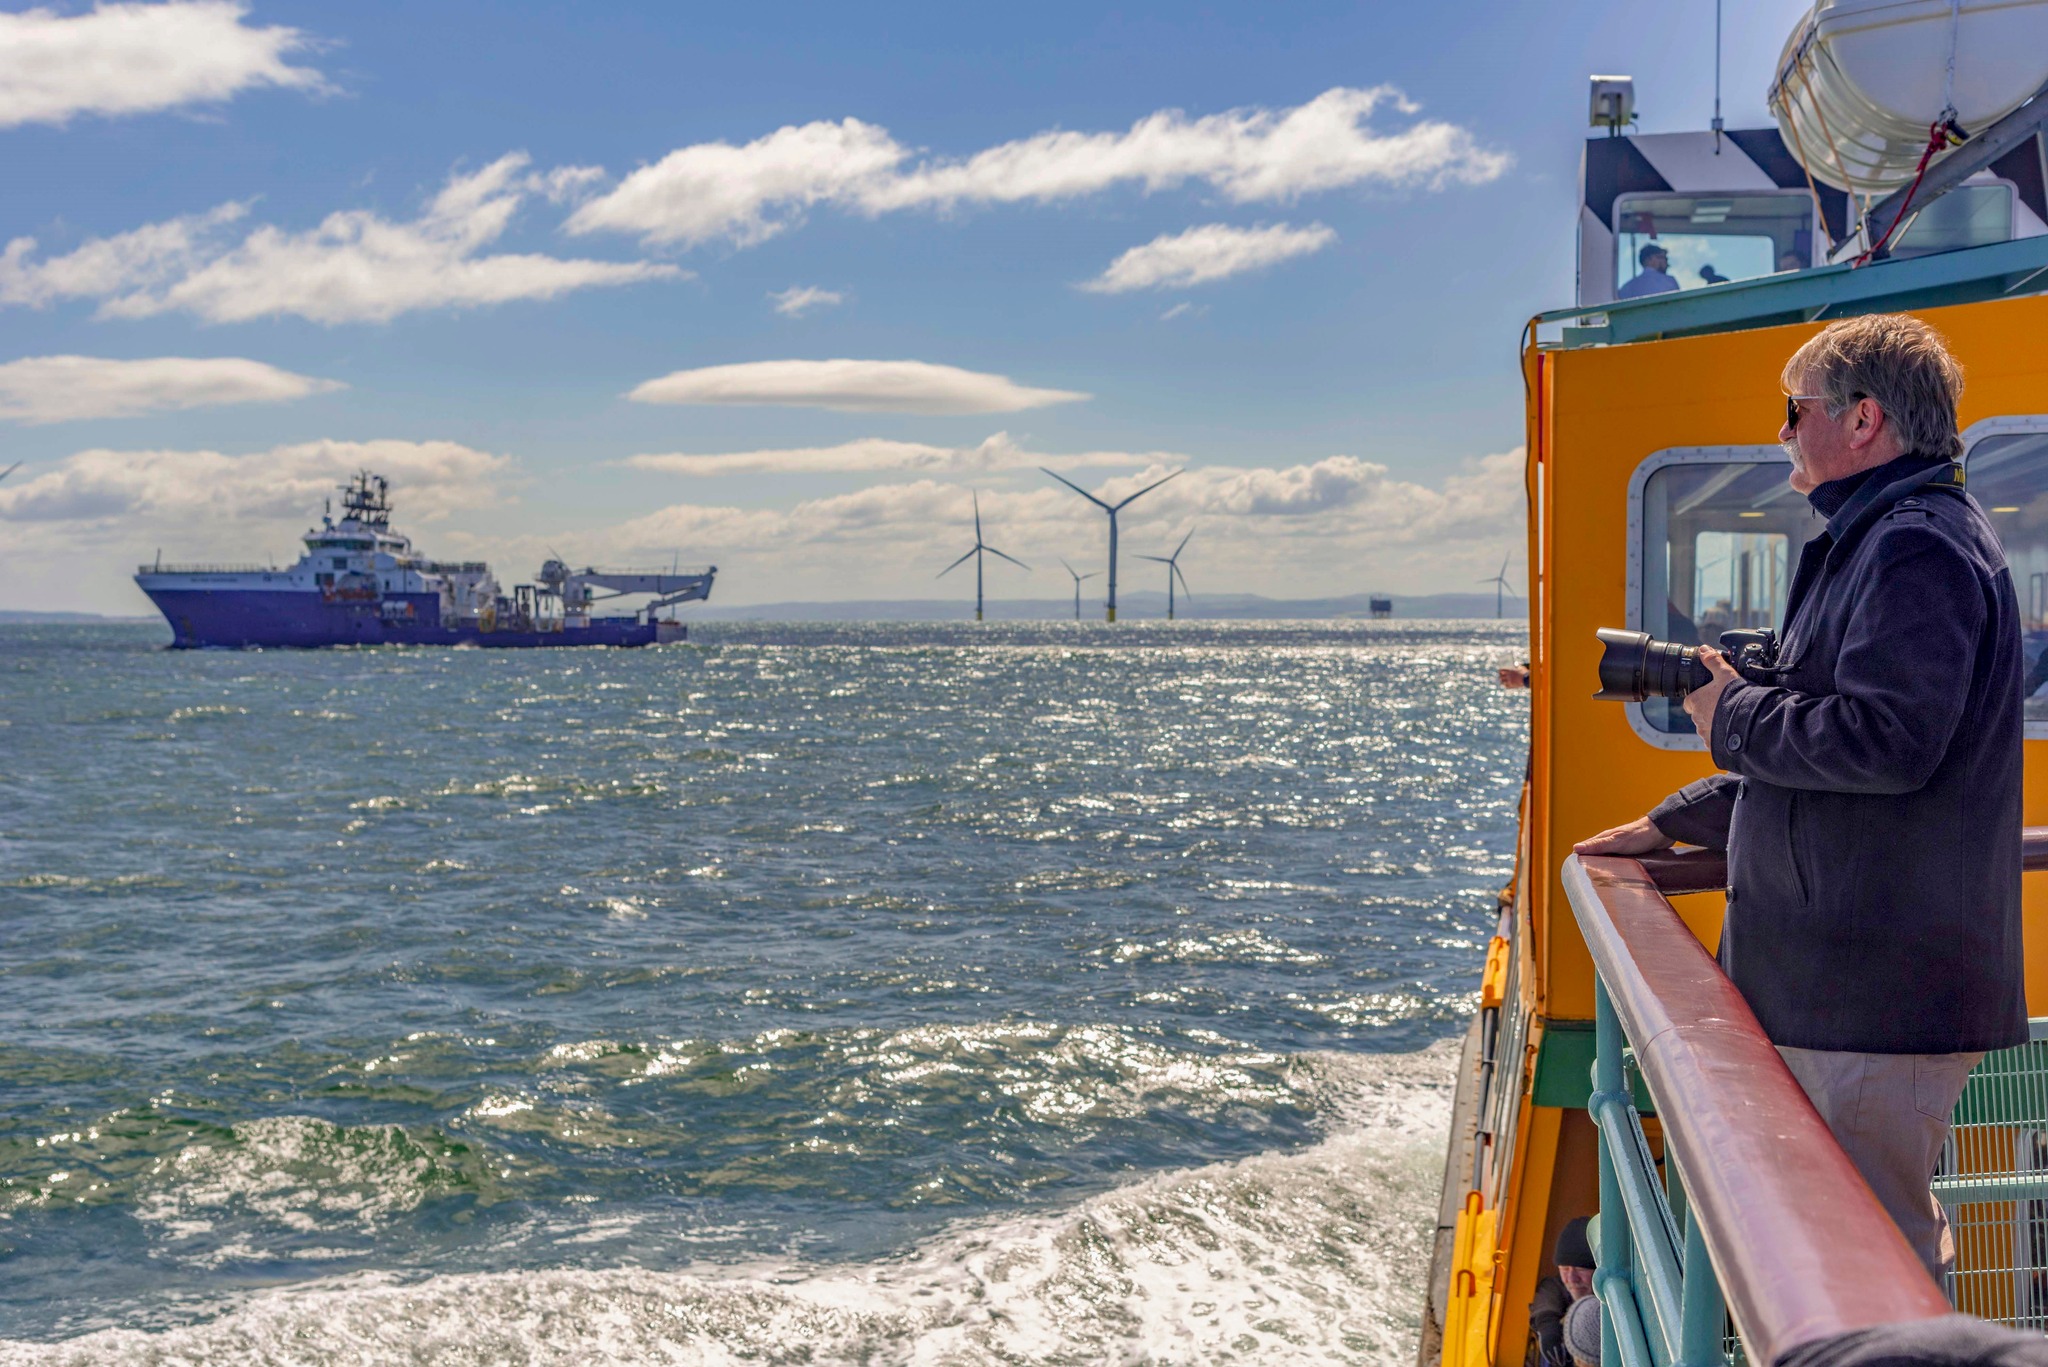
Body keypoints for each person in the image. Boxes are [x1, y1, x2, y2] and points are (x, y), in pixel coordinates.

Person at [1574, 313, 2027, 1285]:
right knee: (1847, 1250)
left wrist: (1728, 713)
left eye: (1795, 408)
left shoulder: (1915, 551)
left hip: (1871, 991)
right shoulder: (1885, 539)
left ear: (1863, 419)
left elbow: (1882, 741)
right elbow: (1824, 722)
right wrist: (1675, 818)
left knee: (1871, 1263)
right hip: (1850, 985)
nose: (1781, 430)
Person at [1528, 1217, 1597, 1367]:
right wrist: (1546, 1323)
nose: (1571, 1278)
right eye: (1564, 1269)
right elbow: (1549, 1291)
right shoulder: (1556, 1287)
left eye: (1581, 1269)